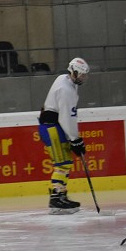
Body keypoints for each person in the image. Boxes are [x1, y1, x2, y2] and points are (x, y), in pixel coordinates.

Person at [37, 57, 89, 213]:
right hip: (52, 128)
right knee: (62, 163)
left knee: (65, 162)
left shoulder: (64, 80)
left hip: (52, 126)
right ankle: (56, 198)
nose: (83, 78)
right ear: (73, 72)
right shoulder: (66, 90)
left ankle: (61, 195)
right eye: (81, 74)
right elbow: (67, 117)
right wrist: (75, 139)